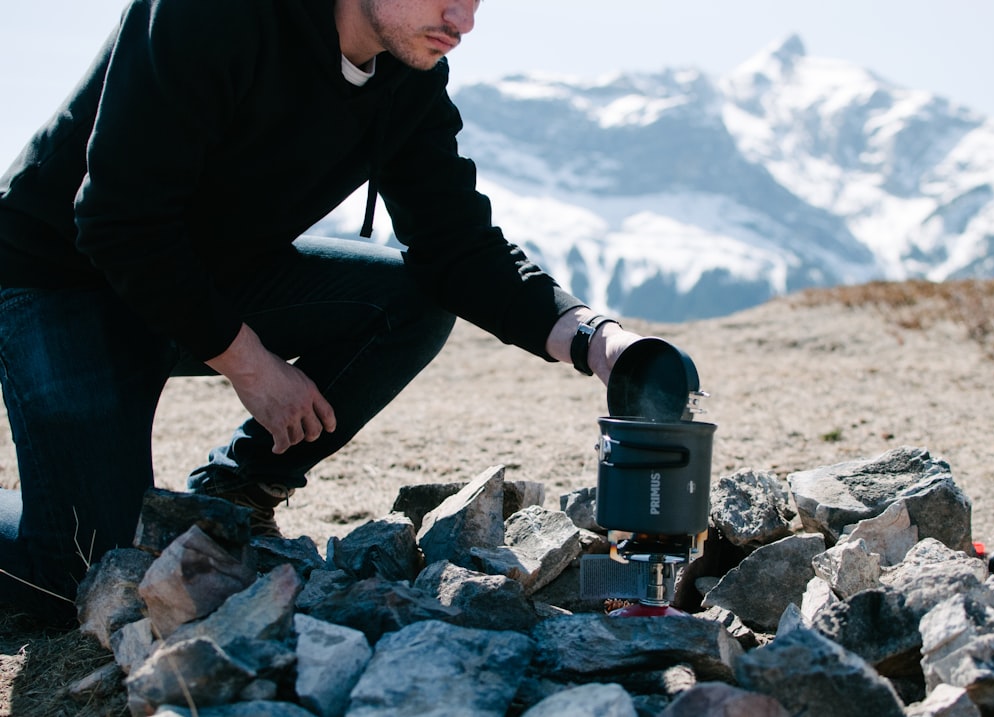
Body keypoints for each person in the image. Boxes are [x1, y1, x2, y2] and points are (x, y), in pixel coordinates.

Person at [0, 0, 642, 626]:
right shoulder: (210, 13)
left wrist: (595, 339)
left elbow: (458, 246)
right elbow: (118, 221)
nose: (463, 20)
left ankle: (233, 496)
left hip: (202, 280)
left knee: (412, 300)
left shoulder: (404, 70)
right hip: (59, 281)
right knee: (83, 578)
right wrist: (250, 365)